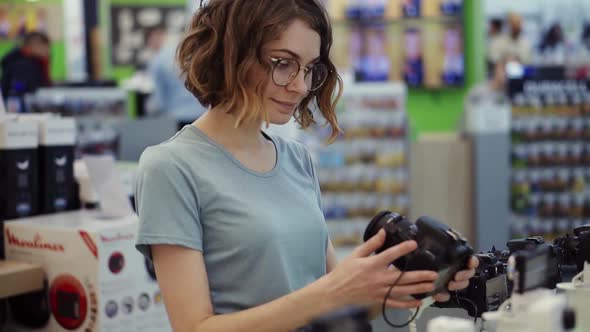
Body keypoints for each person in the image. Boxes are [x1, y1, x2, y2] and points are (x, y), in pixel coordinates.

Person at [134, 1, 478, 331]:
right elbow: (194, 327)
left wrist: (409, 285)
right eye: (283, 63)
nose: (300, 86)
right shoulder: (170, 167)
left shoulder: (295, 158)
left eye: (310, 68)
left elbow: (333, 306)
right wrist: (333, 291)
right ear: (232, 53)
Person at [1, 31, 51, 102]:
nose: (48, 51)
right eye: (46, 47)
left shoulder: (35, 61)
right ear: (34, 45)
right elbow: (17, 88)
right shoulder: (21, 64)